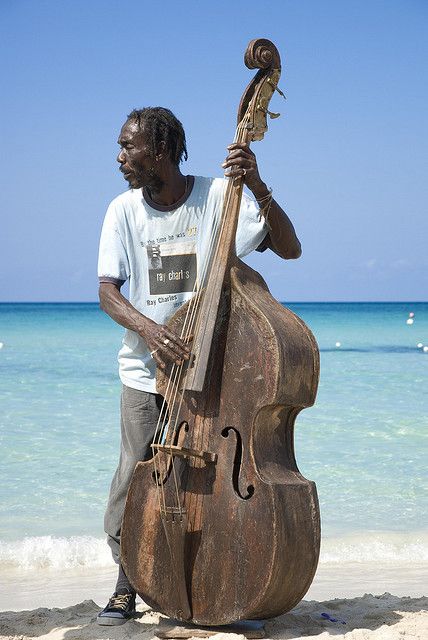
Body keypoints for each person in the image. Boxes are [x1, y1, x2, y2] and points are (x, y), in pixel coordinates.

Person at [96, 107, 301, 625]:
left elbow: (290, 247)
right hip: (145, 372)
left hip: (215, 375)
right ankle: (127, 586)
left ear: (160, 151)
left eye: (129, 147)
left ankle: (213, 579)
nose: (120, 157)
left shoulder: (216, 197)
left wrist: (255, 183)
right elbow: (106, 291)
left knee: (209, 486)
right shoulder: (122, 210)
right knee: (135, 480)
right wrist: (149, 330)